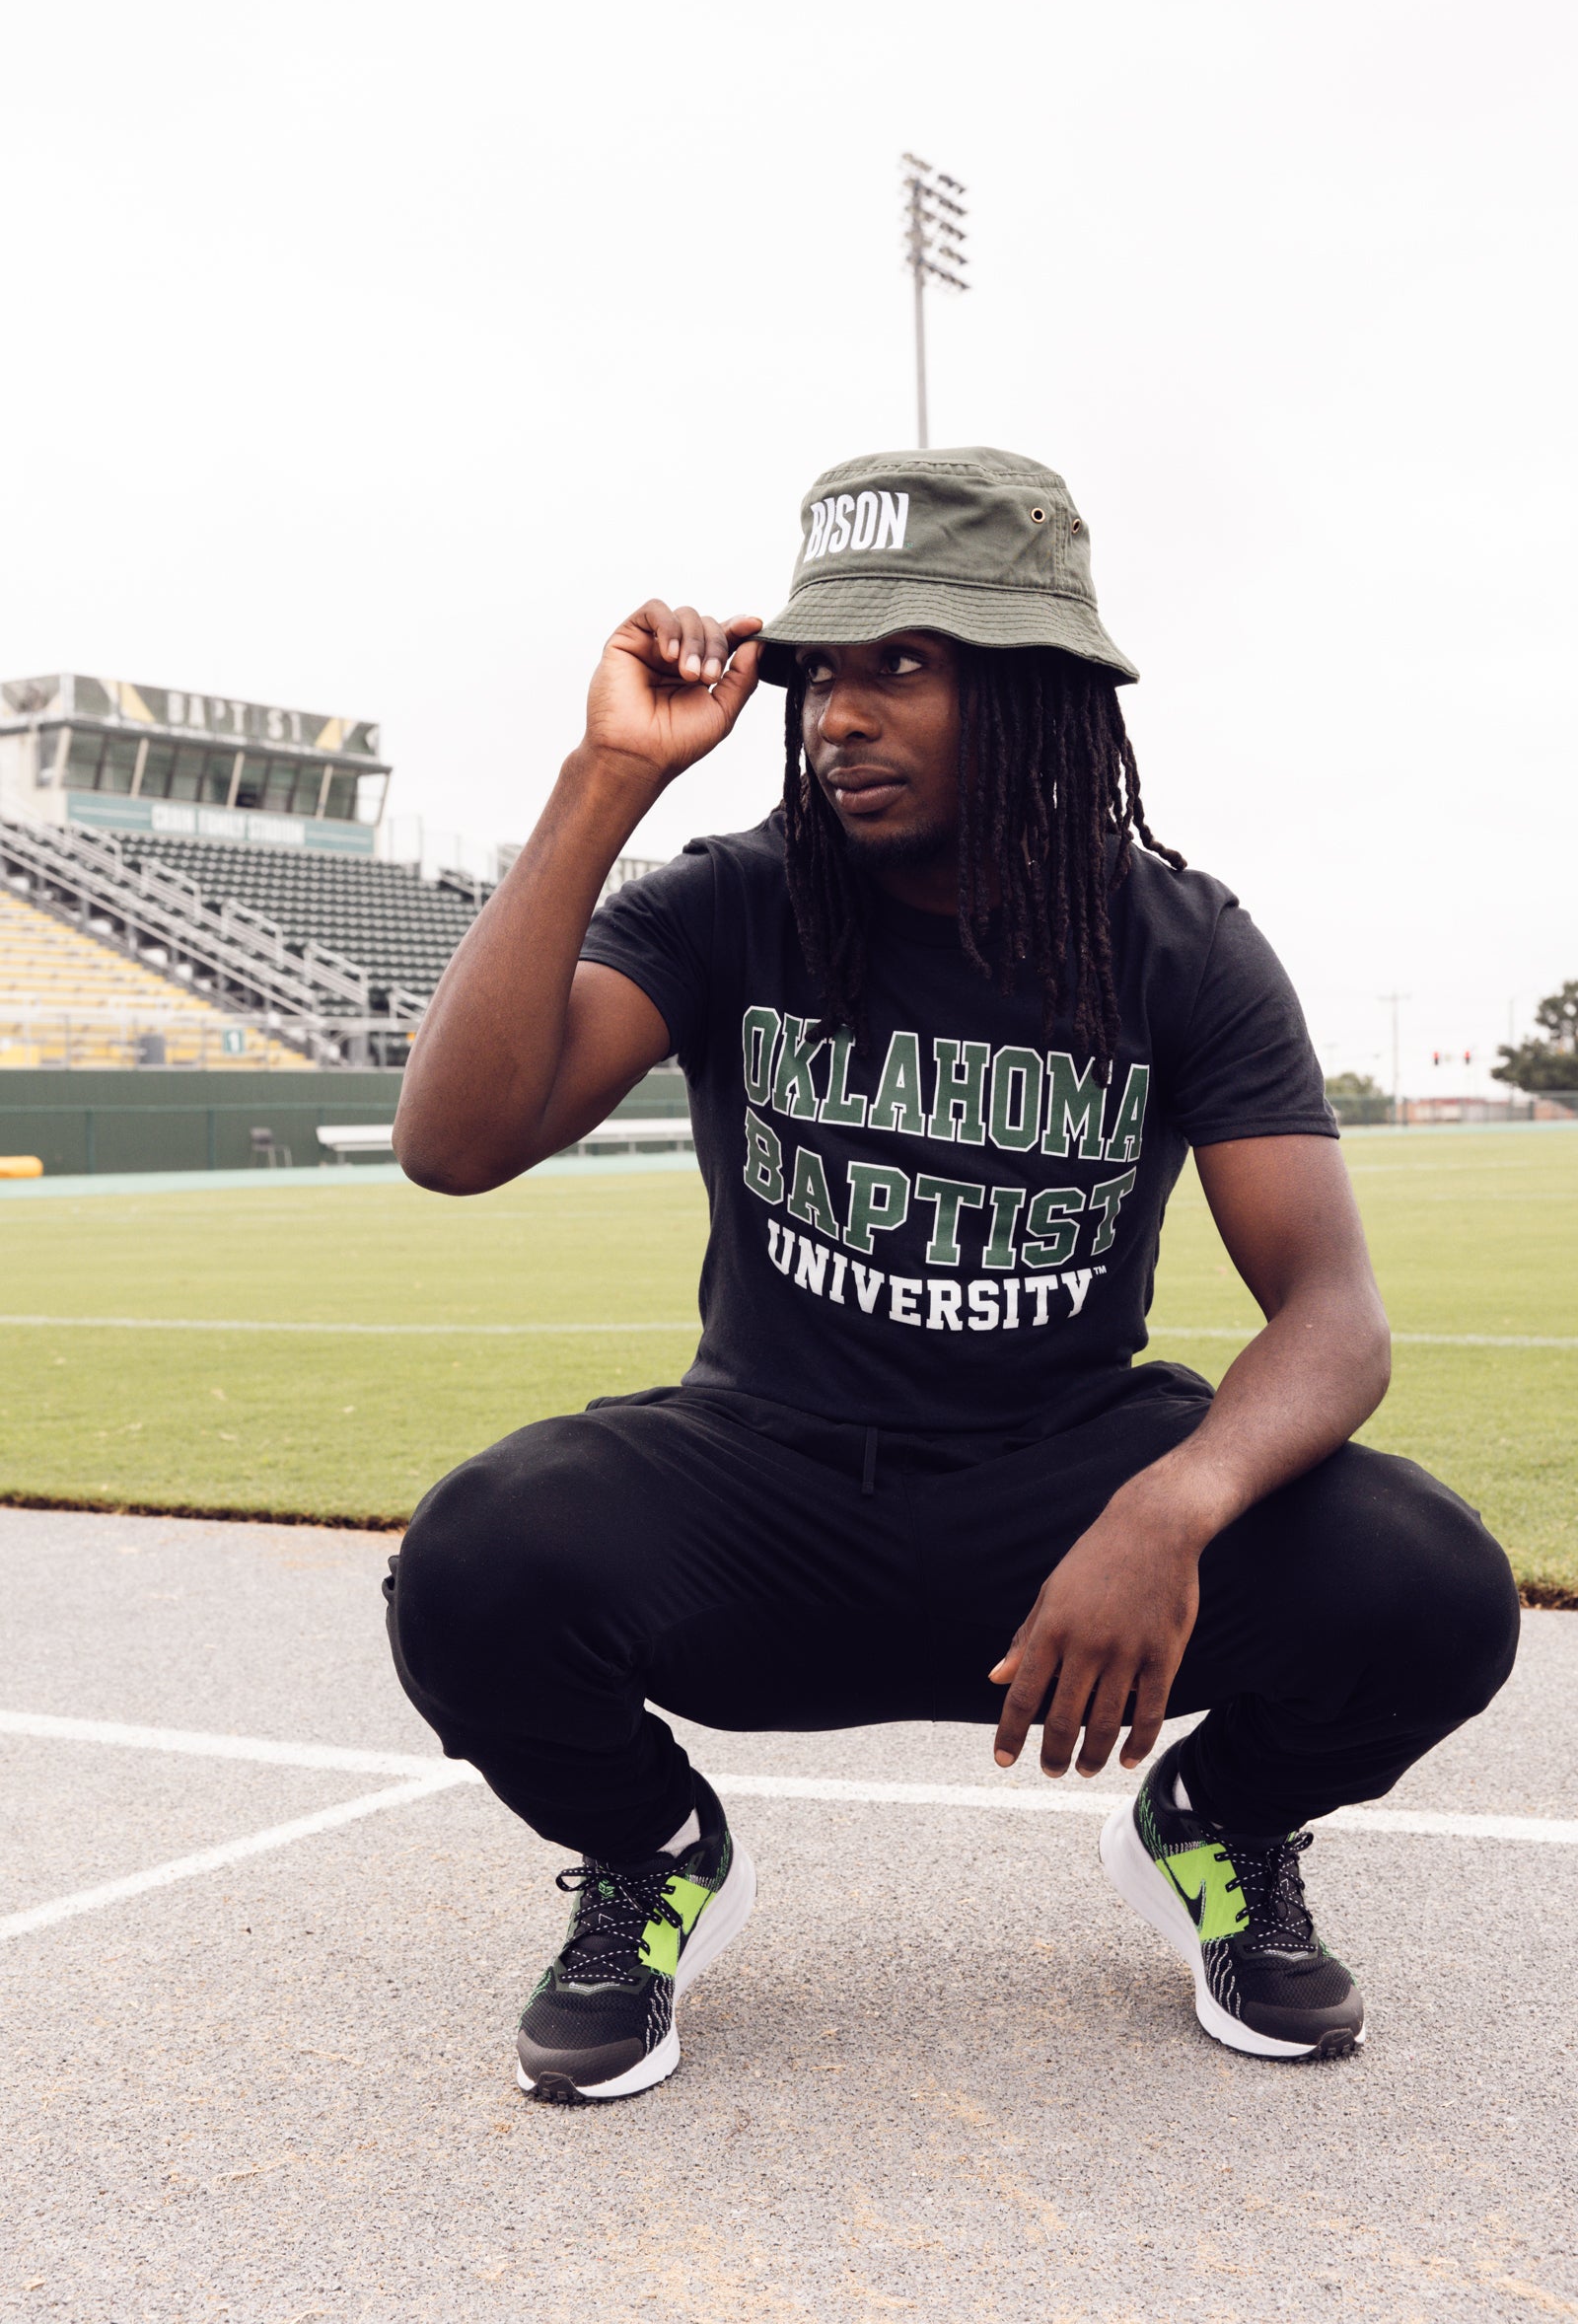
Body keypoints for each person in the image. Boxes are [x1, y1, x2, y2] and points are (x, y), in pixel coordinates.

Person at [388, 446, 1518, 2104]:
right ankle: (650, 1862)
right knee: (477, 1560)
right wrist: (607, 780)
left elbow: (1334, 1317)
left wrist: (1170, 1508)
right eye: (822, 672)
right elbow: (455, 1140)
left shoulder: (1178, 942)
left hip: (1068, 1510)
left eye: (902, 668)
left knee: (1431, 1587)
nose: (840, 714)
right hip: (767, 1486)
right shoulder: (729, 906)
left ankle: (1221, 1829)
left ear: (1039, 688)